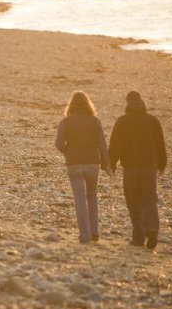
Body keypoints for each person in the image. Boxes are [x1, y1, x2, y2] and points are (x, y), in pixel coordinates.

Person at [108, 91, 167, 249]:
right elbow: (160, 144)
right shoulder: (153, 121)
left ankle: (138, 237)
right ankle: (152, 228)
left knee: (133, 202)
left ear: (128, 103)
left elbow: (115, 145)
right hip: (149, 167)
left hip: (131, 169)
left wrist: (111, 163)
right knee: (150, 199)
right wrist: (162, 164)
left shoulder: (122, 121)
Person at [55, 91, 109, 244]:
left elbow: (58, 144)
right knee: (92, 197)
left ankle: (84, 235)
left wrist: (68, 151)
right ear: (88, 104)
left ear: (71, 105)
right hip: (92, 163)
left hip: (74, 164)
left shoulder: (65, 122)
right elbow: (102, 144)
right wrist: (105, 162)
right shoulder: (95, 121)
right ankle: (95, 232)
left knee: (79, 199)